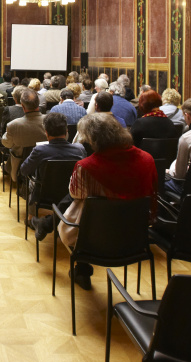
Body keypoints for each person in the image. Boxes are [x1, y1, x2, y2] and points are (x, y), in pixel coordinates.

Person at [58, 114, 158, 290]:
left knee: (81, 206)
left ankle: (82, 268)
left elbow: (75, 194)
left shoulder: (86, 166)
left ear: (93, 140)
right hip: (135, 235)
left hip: (94, 238)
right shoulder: (147, 159)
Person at [21, 112, 86, 239]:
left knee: (30, 181)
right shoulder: (80, 149)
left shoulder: (39, 150)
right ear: (66, 131)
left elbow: (24, 170)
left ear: (46, 132)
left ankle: (30, 218)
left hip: (43, 194)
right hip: (71, 193)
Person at [0, 89, 46, 182]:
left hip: (19, 170)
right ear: (38, 103)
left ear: (23, 107)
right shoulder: (49, 121)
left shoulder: (13, 125)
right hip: (44, 170)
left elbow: (7, 144)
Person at [164, 98, 191, 197]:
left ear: (187, 116)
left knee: (161, 181)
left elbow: (179, 176)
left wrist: (170, 172)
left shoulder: (186, 138)